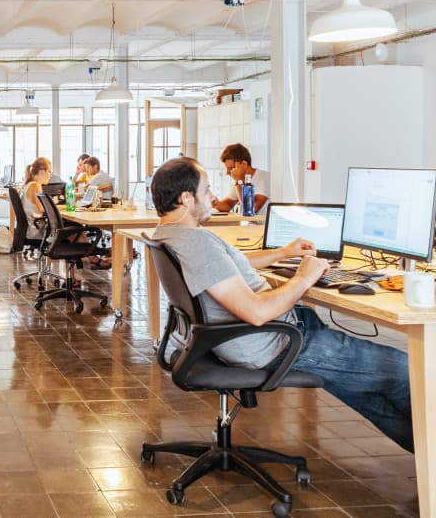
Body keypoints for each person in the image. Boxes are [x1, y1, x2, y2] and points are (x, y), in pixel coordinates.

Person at [150, 156, 412, 452]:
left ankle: (428, 462)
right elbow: (257, 312)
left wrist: (280, 254)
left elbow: (225, 269)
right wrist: (303, 278)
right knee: (404, 370)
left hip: (254, 338)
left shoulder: (172, 235)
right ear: (186, 198)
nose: (213, 197)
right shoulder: (197, 242)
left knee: (366, 390)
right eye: (207, 189)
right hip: (274, 342)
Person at [211, 143, 269, 213]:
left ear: (244, 164)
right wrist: (215, 204)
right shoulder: (240, 180)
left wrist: (239, 181)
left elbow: (250, 209)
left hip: (262, 224)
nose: (228, 173)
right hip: (246, 223)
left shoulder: (264, 177)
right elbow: (228, 204)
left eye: (231, 168)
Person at [20, 157, 52, 241]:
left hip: (31, 229)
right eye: (49, 171)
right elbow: (42, 209)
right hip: (37, 231)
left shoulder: (28, 184)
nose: (50, 174)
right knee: (75, 229)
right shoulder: (35, 185)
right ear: (42, 172)